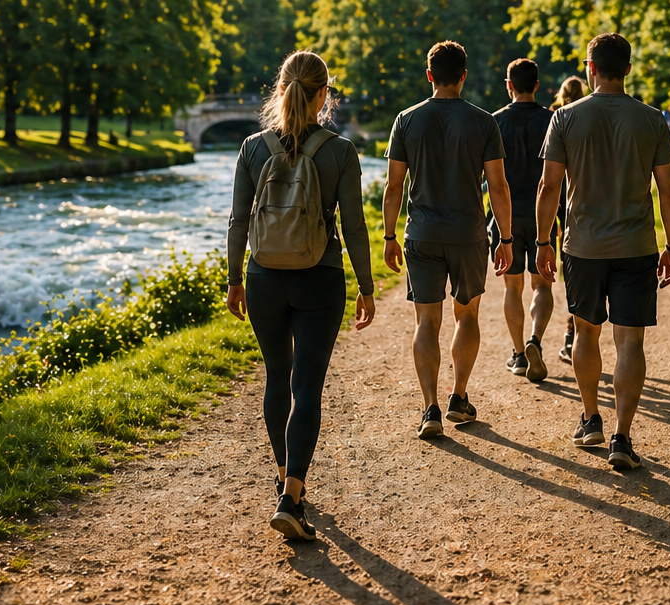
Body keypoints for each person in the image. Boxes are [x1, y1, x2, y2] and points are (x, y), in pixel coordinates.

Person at [226, 50, 375, 541]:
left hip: (265, 277)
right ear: (322, 95)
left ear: (281, 88)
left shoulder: (251, 148)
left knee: (277, 378)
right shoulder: (340, 151)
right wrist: (366, 287)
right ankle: (292, 492)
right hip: (320, 277)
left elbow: (239, 221)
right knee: (306, 387)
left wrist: (234, 279)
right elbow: (353, 226)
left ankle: (286, 480)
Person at [534, 33, 670, 471]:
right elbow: (668, 191)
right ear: (628, 70)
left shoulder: (564, 119)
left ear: (590, 68)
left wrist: (542, 241)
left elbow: (549, 186)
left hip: (582, 246)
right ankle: (622, 435)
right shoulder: (653, 120)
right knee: (630, 339)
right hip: (636, 246)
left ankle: (591, 418)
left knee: (586, 333)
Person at [383, 41, 513, 439]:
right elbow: (498, 186)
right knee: (467, 315)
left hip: (421, 234)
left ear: (429, 75)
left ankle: (430, 409)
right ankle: (459, 395)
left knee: (427, 319)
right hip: (468, 233)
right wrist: (505, 237)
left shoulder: (406, 120)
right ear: (463, 76)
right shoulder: (483, 122)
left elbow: (393, 187)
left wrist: (388, 236)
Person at [492, 58, 556, 383]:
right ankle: (535, 340)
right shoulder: (552, 120)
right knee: (541, 284)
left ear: (509, 85)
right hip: (543, 213)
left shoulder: (495, 122)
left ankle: (518, 354)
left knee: (512, 286)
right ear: (537, 86)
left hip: (506, 216)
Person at [551, 75, 588, 364]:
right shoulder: (589, 117)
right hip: (586, 200)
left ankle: (571, 336)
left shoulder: (558, 119)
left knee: (572, 272)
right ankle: (574, 333)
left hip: (563, 204)